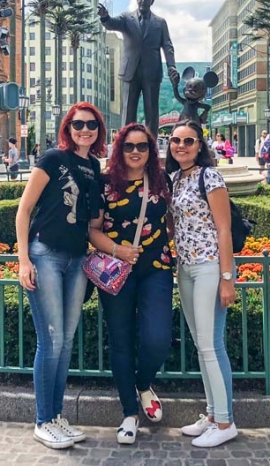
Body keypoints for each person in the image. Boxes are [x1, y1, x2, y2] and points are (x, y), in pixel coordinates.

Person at [15, 102, 106, 450]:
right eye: (79, 124)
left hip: (77, 258)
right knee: (50, 340)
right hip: (46, 254)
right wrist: (24, 260)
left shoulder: (93, 166)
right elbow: (24, 211)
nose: (85, 130)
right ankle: (43, 419)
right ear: (68, 127)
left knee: (66, 341)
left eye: (92, 125)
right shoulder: (52, 159)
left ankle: (56, 415)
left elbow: (93, 219)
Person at [89, 124, 173, 445]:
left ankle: (142, 383)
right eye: (128, 146)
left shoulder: (161, 180)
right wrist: (118, 250)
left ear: (151, 150)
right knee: (121, 340)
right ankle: (129, 413)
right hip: (115, 271)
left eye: (142, 146)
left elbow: (171, 220)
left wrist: (163, 243)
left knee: (158, 337)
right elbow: (92, 230)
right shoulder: (106, 183)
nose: (135, 152)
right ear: (119, 149)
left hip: (156, 269)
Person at [165, 119, 238, 448]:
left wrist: (226, 279)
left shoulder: (210, 176)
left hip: (210, 267)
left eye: (188, 141)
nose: (181, 145)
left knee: (210, 346)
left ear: (200, 145)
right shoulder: (176, 179)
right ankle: (212, 414)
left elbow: (224, 230)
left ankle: (225, 422)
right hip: (187, 268)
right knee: (204, 345)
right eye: (176, 140)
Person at [97, 0, 180, 135]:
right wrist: (105, 17)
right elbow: (111, 24)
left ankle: (151, 146)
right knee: (128, 111)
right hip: (130, 71)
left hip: (152, 72)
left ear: (152, 1)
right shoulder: (127, 18)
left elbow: (167, 45)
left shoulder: (160, 23)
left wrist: (171, 66)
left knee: (152, 112)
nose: (143, 1)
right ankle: (126, 145)